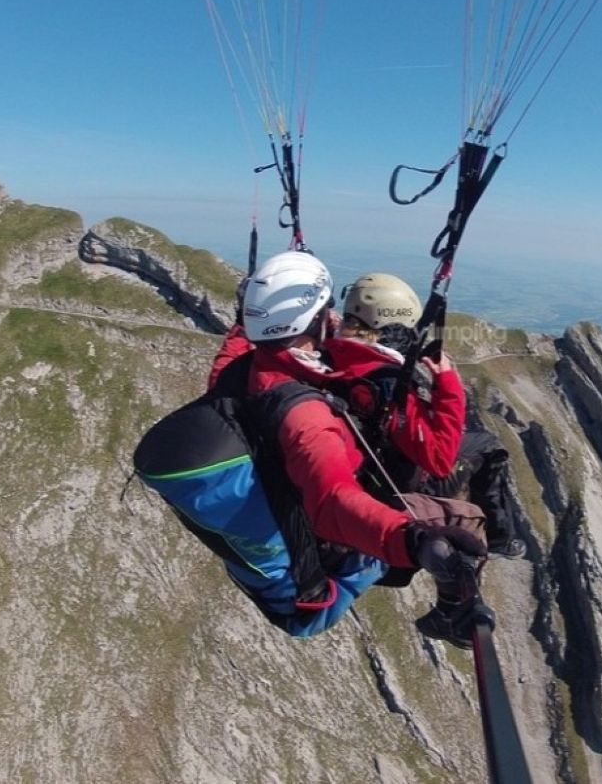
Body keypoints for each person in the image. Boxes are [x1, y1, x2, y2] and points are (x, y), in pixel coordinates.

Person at [207, 251, 490, 647]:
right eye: (326, 310)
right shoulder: (306, 415)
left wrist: (246, 321)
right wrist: (411, 540)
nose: (335, 318)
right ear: (312, 321)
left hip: (280, 516)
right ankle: (451, 617)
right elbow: (332, 502)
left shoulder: (244, 371)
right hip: (331, 550)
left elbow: (229, 355)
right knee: (467, 520)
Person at [334, 272, 526, 560]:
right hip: (400, 483)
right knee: (489, 445)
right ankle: (500, 538)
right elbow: (438, 460)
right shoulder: (387, 384)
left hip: (365, 471)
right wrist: (448, 383)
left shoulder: (334, 355)